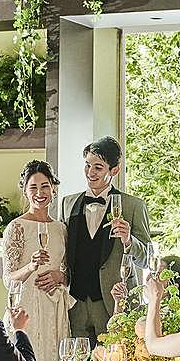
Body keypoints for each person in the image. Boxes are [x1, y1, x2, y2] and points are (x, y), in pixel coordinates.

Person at [61, 136, 150, 347]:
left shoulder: (133, 206)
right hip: (75, 303)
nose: (90, 172)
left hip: (115, 303)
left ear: (114, 170)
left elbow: (147, 258)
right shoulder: (68, 203)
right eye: (87, 165)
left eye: (98, 167)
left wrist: (128, 240)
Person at [2, 160, 73, 361]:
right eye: (33, 187)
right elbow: (8, 279)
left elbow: (68, 272)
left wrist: (60, 277)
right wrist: (30, 267)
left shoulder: (61, 229)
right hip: (27, 308)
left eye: (45, 186)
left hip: (54, 308)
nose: (39, 193)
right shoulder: (16, 227)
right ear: (25, 191)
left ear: (53, 189)